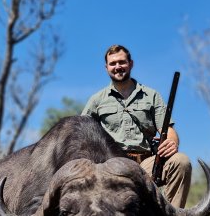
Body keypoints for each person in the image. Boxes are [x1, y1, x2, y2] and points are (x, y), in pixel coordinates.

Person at [81, 44, 192, 208]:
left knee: (181, 161)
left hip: (146, 164)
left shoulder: (151, 96)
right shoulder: (97, 100)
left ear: (130, 64)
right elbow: (81, 132)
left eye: (122, 62)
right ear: (106, 68)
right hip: (110, 166)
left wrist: (172, 142)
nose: (117, 67)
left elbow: (168, 129)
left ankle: (170, 212)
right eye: (113, 64)